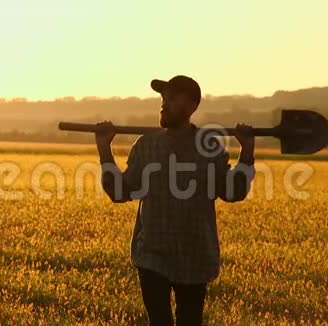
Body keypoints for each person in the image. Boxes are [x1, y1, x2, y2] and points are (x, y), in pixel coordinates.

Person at [94, 75, 256, 325]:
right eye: (162, 98)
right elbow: (119, 192)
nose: (163, 104)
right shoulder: (146, 146)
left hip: (195, 254)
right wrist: (104, 148)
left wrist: (247, 151)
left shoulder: (209, 148)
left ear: (191, 105)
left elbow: (233, 192)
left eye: (171, 98)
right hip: (152, 253)